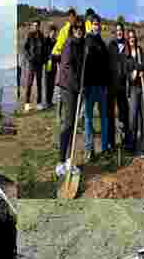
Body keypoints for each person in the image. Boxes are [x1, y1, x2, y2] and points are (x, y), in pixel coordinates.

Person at [55, 20, 86, 177]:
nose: (79, 30)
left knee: (73, 124)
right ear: (72, 29)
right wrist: (77, 85)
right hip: (68, 87)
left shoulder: (81, 45)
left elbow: (81, 67)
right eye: (76, 28)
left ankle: (69, 159)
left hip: (76, 87)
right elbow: (67, 66)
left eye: (81, 28)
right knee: (68, 123)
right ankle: (60, 162)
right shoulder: (70, 43)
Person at [82, 14, 110, 158]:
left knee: (104, 118)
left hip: (102, 87)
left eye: (98, 24)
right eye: (94, 24)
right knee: (88, 118)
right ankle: (89, 149)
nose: (97, 26)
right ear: (90, 25)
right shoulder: (86, 41)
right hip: (89, 86)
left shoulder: (103, 44)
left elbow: (107, 66)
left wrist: (107, 85)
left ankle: (105, 147)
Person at [125, 29, 144, 155]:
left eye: (133, 37)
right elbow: (126, 72)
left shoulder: (141, 52)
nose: (132, 39)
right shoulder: (127, 55)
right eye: (130, 38)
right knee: (133, 118)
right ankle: (131, 146)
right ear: (128, 40)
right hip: (134, 89)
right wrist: (132, 75)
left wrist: (139, 69)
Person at [107, 22, 129, 150]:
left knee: (123, 114)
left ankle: (125, 139)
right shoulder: (111, 45)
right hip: (112, 85)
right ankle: (111, 142)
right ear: (115, 33)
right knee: (110, 114)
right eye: (117, 30)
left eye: (121, 30)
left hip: (123, 86)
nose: (119, 32)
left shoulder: (127, 46)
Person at [43, 24, 58, 108]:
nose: (53, 34)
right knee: (47, 82)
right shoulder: (46, 40)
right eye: (52, 32)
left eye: (55, 32)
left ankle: (50, 101)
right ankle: (47, 101)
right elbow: (44, 52)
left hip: (54, 64)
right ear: (49, 32)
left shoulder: (56, 41)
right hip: (48, 63)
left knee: (52, 83)